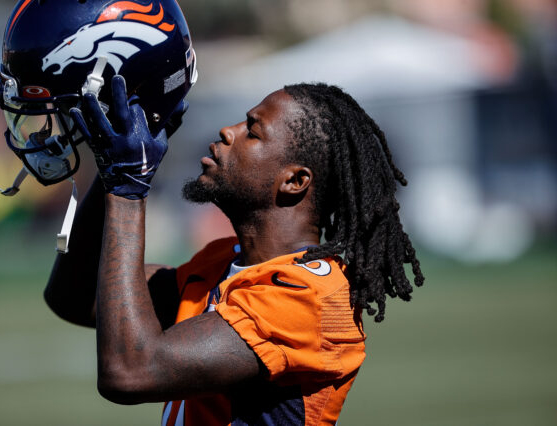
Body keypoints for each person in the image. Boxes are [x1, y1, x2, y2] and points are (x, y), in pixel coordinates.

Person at [44, 78, 425, 425]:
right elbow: (74, 296)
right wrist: (112, 168)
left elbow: (130, 373)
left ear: (294, 181)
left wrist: (128, 186)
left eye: (253, 131)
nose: (228, 131)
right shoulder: (222, 262)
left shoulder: (311, 296)